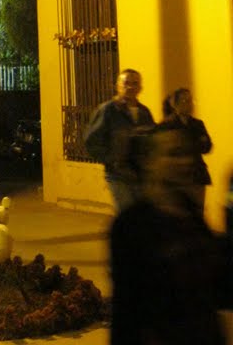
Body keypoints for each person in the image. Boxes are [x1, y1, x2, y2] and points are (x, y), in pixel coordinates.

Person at [110, 125, 227, 344]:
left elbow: (216, 283)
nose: (186, 161)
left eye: (188, 153)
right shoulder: (131, 226)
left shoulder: (189, 210)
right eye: (175, 153)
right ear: (149, 161)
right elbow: (126, 309)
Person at [84, 68, 154, 212]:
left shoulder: (144, 112)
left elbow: (153, 140)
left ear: (140, 87)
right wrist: (112, 160)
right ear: (118, 86)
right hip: (118, 174)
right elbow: (92, 141)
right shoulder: (108, 110)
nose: (130, 87)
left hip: (140, 174)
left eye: (135, 83)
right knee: (127, 213)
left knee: (141, 215)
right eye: (126, 83)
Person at [158, 87, 213, 215]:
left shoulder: (198, 124)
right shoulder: (166, 125)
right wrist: (196, 142)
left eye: (190, 100)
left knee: (198, 213)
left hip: (197, 176)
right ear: (175, 104)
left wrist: (192, 144)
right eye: (184, 100)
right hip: (176, 177)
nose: (189, 104)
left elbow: (207, 147)